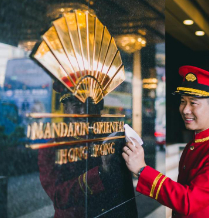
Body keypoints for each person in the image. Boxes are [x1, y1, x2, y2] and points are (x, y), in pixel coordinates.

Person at [122, 65, 209, 218]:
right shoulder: (196, 142)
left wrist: (142, 170)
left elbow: (188, 201)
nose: (185, 109)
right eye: (182, 101)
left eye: (193, 103)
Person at [38, 81, 137, 218]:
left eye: (91, 104)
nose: (85, 111)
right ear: (66, 109)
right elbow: (58, 196)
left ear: (100, 107)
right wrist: (100, 172)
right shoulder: (51, 149)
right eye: (76, 105)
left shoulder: (114, 141)